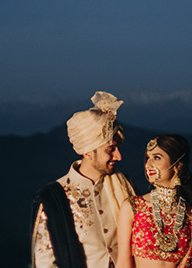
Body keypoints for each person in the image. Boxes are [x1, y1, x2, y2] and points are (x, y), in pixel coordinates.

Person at [32, 91, 136, 268]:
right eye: (110, 150)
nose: (118, 156)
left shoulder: (125, 185)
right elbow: (44, 261)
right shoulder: (54, 197)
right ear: (88, 151)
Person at [115, 134, 192, 268]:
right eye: (147, 158)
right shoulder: (134, 207)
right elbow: (123, 263)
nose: (148, 164)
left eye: (156, 158)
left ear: (178, 165)